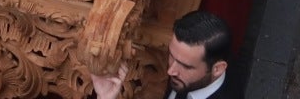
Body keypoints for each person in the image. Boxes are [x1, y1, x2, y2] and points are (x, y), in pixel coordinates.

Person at [88, 9, 231, 99]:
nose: (170, 71)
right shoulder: (187, 80)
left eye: (185, 66)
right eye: (171, 56)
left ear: (217, 69)